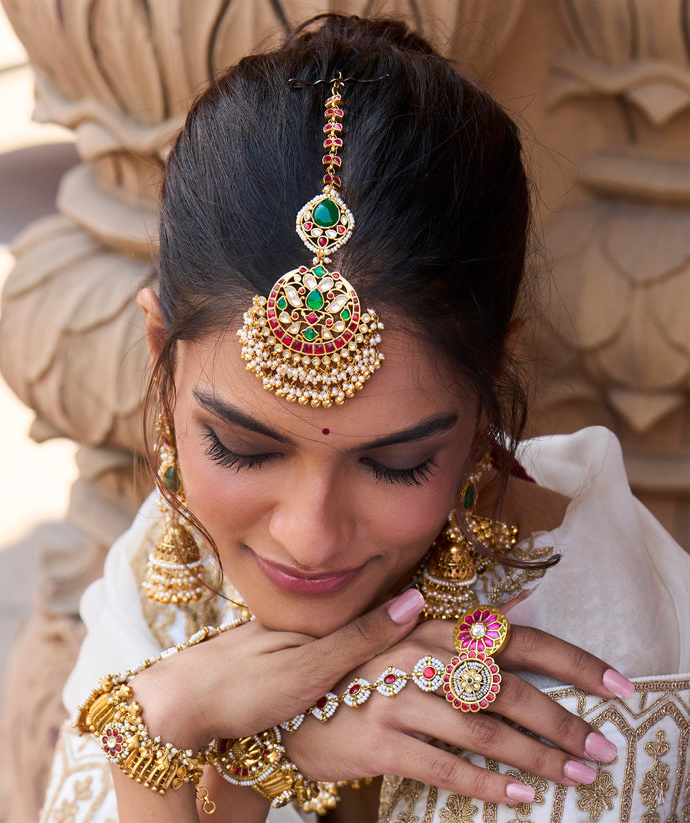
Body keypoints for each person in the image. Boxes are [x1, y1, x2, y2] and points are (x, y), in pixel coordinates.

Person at [39, 14, 690, 823]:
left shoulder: (596, 678)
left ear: (489, 385)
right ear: (159, 350)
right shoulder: (163, 572)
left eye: (395, 463)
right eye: (241, 448)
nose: (309, 537)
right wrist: (199, 733)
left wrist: (202, 751)